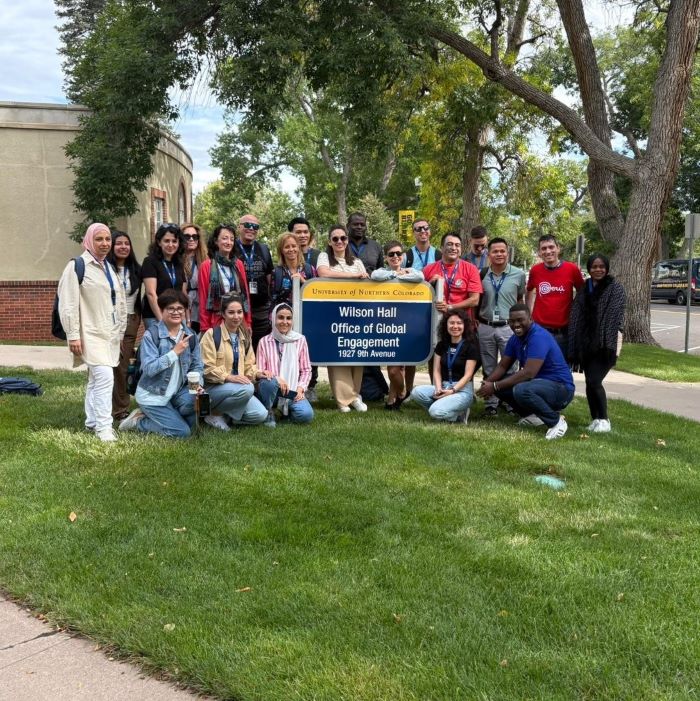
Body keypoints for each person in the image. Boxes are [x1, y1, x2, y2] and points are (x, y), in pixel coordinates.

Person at [58, 222, 127, 442]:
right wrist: (73, 335)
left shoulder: (108, 267)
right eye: (99, 239)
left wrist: (121, 329)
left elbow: (120, 302)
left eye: (108, 239)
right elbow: (68, 304)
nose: (105, 243)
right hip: (89, 333)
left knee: (96, 379)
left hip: (109, 333)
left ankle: (91, 421)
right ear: (89, 241)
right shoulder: (77, 266)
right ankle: (104, 427)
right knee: (105, 377)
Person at [477, 304, 575, 440]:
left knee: (521, 389)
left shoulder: (538, 336)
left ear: (530, 319)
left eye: (520, 320)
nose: (516, 324)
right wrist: (488, 383)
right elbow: (503, 366)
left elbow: (529, 373)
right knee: (501, 385)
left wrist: (494, 386)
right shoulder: (515, 339)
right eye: (512, 321)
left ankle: (556, 422)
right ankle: (533, 416)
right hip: (538, 385)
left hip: (561, 389)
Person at [119, 290, 203, 438]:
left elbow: (197, 366)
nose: (176, 312)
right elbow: (150, 368)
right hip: (153, 394)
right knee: (182, 432)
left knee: (199, 401)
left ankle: (169, 415)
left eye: (180, 308)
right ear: (162, 310)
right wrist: (173, 353)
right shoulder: (152, 335)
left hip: (175, 392)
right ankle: (139, 421)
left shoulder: (191, 335)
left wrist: (197, 386)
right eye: (170, 308)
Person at [568, 254, 626, 433]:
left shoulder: (615, 288)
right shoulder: (585, 288)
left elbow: (613, 316)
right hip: (585, 343)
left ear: (607, 268)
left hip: (605, 343)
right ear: (589, 268)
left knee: (594, 380)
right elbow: (576, 311)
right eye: (594, 266)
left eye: (601, 266)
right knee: (588, 381)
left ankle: (605, 419)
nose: (598, 269)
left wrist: (603, 341)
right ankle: (595, 419)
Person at [317, 223, 369, 412]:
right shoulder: (324, 257)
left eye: (343, 238)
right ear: (330, 242)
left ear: (347, 241)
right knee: (337, 355)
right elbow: (323, 273)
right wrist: (353, 277)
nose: (340, 241)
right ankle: (343, 400)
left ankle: (355, 395)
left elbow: (365, 281)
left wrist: (359, 276)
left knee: (356, 354)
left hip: (356, 315)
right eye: (335, 238)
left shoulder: (356, 261)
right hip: (333, 314)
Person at [198, 294, 268, 429]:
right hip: (214, 388)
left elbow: (249, 366)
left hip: (238, 389)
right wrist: (229, 377)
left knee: (261, 415)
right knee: (248, 388)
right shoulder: (212, 335)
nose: (236, 316)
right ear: (223, 314)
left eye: (239, 312)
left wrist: (258, 374)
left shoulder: (244, 336)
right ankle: (214, 413)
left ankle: (225, 416)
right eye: (231, 312)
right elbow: (206, 368)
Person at [371, 240, 424, 409]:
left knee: (397, 367)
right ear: (386, 257)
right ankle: (399, 395)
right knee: (393, 368)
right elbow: (374, 276)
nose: (395, 257)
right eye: (391, 254)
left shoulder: (411, 271)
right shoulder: (383, 271)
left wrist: (402, 274)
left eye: (398, 254)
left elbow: (420, 277)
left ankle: (394, 398)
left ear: (403, 256)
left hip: (406, 325)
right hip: (386, 325)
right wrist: (396, 275)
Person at [477, 238, 526, 417]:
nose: (499, 254)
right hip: (486, 325)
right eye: (495, 251)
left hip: (509, 327)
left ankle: (510, 401)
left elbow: (520, 299)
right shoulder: (481, 274)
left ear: (507, 252)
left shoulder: (518, 274)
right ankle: (491, 404)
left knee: (511, 367)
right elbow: (477, 300)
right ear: (488, 254)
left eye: (502, 251)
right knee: (489, 366)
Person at [411, 309, 479, 423]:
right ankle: (452, 412)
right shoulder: (442, 345)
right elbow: (436, 370)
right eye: (451, 323)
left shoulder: (471, 346)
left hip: (462, 390)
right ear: (446, 325)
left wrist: (452, 391)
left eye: (459, 323)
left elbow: (468, 375)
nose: (455, 326)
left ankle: (456, 415)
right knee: (416, 392)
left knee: (434, 411)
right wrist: (438, 388)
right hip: (444, 386)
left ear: (465, 325)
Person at [256, 303, 314, 427]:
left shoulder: (300, 340)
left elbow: (306, 370)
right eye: (280, 317)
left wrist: (300, 388)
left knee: (306, 415)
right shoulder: (264, 342)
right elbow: (260, 371)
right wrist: (277, 379)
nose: (285, 322)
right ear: (273, 318)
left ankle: (287, 412)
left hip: (292, 391)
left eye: (288, 318)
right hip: (272, 391)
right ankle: (268, 411)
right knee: (268, 383)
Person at [526, 234, 585, 357]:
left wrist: (577, 315)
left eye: (551, 247)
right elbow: (529, 290)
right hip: (539, 330)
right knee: (537, 369)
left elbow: (582, 293)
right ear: (539, 252)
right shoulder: (535, 270)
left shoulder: (572, 269)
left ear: (558, 248)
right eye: (544, 248)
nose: (548, 251)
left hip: (563, 332)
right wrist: (529, 313)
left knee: (560, 370)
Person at [106, 230, 142, 421]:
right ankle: (105, 407)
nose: (123, 247)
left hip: (131, 321)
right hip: (108, 322)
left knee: (122, 366)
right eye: (118, 243)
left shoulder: (136, 269)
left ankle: (120, 410)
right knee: (107, 366)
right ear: (112, 246)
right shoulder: (105, 269)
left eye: (126, 243)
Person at [287, 217, 320, 400]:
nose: (302, 235)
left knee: (310, 346)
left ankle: (311, 385)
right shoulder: (286, 254)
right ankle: (292, 383)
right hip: (289, 312)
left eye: (305, 232)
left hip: (310, 311)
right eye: (298, 232)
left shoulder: (317, 256)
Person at [198, 224, 251, 333]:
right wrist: (205, 327)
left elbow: (245, 295)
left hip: (238, 321)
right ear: (216, 241)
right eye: (224, 238)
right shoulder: (206, 266)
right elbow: (203, 298)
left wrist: (248, 322)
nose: (229, 242)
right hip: (216, 321)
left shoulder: (238, 264)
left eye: (231, 239)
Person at [423, 233, 483, 321]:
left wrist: (450, 307)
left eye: (457, 245)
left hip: (462, 324)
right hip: (435, 323)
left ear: (461, 249)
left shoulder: (471, 269)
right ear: (442, 248)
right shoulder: (428, 269)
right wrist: (430, 285)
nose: (454, 248)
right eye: (449, 244)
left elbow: (474, 300)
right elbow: (420, 296)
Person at [235, 214, 274, 349]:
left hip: (261, 308)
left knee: (260, 347)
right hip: (238, 308)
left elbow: (269, 278)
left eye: (255, 226)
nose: (251, 228)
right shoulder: (231, 247)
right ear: (239, 227)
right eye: (247, 225)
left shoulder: (263, 249)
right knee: (239, 347)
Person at [141, 223, 187, 330]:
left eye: (174, 241)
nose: (171, 244)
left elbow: (183, 293)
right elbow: (151, 293)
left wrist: (185, 318)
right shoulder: (150, 261)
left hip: (176, 315)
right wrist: (162, 320)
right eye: (166, 241)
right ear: (159, 242)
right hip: (155, 316)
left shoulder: (179, 263)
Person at [270, 233, 315, 308]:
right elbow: (273, 301)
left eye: (294, 246)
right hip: (285, 317)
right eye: (287, 247)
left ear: (298, 248)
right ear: (281, 250)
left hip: (306, 315)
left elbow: (317, 294)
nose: (291, 249)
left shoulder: (309, 269)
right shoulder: (276, 272)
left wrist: (304, 281)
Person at [181, 222, 207, 333]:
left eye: (194, 236)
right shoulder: (176, 261)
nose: (191, 239)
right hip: (182, 309)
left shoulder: (206, 260)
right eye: (187, 236)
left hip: (201, 309)